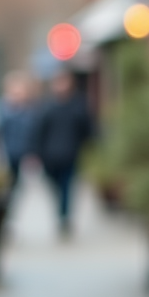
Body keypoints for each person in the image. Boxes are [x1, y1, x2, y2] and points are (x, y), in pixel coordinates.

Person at [33, 69, 94, 237]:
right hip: (50, 157)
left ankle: (64, 217)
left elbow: (87, 129)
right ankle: (61, 211)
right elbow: (39, 131)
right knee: (55, 187)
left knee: (67, 187)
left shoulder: (77, 105)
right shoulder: (48, 107)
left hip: (70, 154)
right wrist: (36, 152)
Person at [0, 70, 37, 197]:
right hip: (7, 152)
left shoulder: (30, 111)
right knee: (10, 181)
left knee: (19, 182)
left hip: (23, 153)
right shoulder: (3, 110)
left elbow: (33, 133)